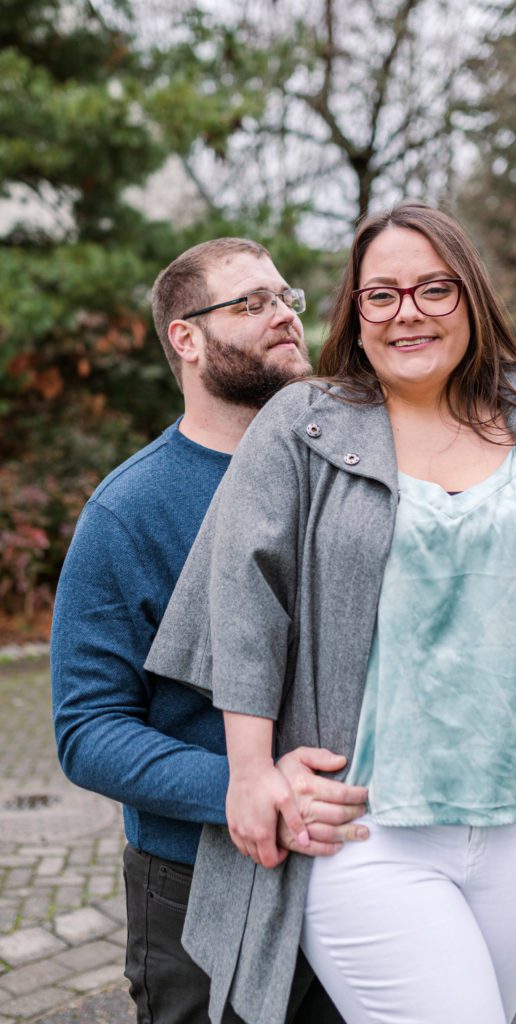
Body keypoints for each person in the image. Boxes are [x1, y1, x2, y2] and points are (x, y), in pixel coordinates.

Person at [144, 204, 516, 1024]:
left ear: (471, 300)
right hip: (367, 835)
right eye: (380, 295)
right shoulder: (301, 428)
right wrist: (249, 771)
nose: (407, 311)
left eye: (433, 289)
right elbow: (244, 605)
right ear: (354, 313)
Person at [51, 237, 378, 1024]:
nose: (283, 317)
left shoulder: (353, 468)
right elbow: (86, 729)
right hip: (201, 879)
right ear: (185, 338)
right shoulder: (130, 511)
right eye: (250, 302)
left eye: (284, 297)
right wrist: (240, 782)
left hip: (360, 863)